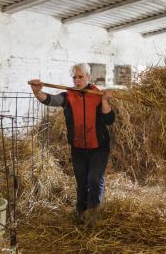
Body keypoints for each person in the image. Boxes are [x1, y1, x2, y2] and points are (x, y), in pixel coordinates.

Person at [29, 63, 115, 226]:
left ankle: (93, 212)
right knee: (82, 181)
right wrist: (37, 92)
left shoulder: (98, 95)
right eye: (74, 77)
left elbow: (110, 120)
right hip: (78, 148)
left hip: (99, 147)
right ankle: (81, 211)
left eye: (80, 77)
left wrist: (105, 101)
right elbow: (50, 100)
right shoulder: (68, 96)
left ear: (88, 77)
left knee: (95, 179)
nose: (77, 80)